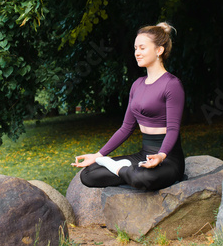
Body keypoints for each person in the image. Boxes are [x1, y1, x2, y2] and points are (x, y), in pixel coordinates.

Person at [71, 22, 185, 191]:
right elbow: (126, 127)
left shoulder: (172, 84)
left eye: (142, 48)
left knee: (142, 178)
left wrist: (161, 156)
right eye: (135, 48)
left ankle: (121, 169)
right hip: (143, 154)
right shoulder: (137, 85)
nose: (137, 53)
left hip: (168, 159)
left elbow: (173, 129)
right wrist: (98, 155)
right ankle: (128, 170)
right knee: (88, 175)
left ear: (159, 50)